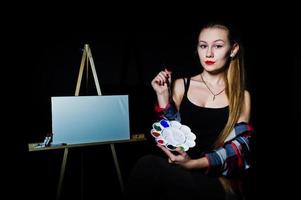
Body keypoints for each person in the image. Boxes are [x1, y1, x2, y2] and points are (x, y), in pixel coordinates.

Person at [123, 20, 254, 200]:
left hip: (217, 182)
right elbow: (169, 134)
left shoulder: (241, 96)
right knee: (150, 168)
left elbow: (240, 148)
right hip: (180, 175)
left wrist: (193, 164)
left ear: (233, 49)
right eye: (203, 46)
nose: (208, 53)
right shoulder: (182, 85)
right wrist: (163, 97)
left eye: (218, 46)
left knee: (148, 166)